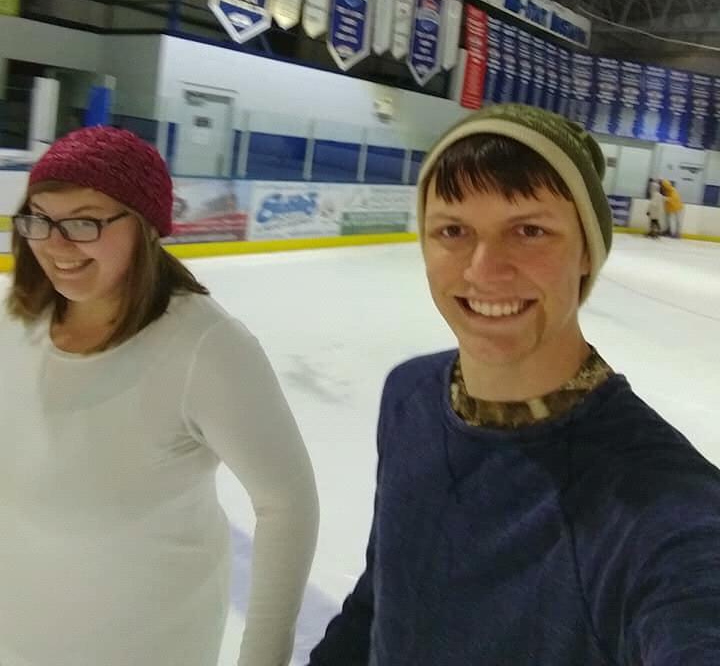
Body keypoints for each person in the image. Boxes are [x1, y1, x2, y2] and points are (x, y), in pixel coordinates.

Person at [307, 103, 720, 666]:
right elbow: (381, 596)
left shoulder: (668, 508)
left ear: (586, 253)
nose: (483, 269)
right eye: (453, 230)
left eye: (529, 230)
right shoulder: (408, 397)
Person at [1, 126, 319, 666]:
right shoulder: (20, 316)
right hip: (21, 625)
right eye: (39, 218)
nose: (55, 244)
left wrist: (264, 657)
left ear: (147, 225)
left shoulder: (205, 346)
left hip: (141, 640)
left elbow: (286, 503)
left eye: (84, 221)